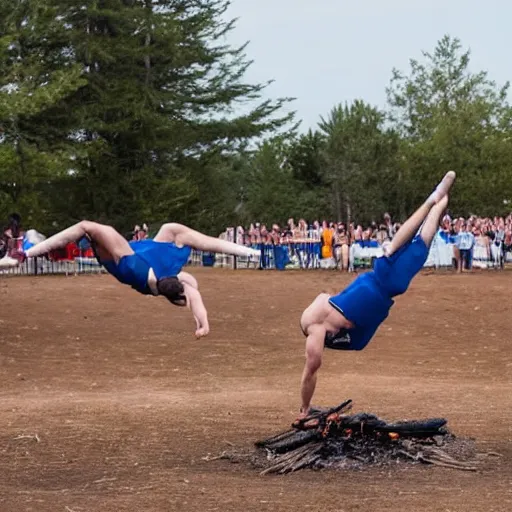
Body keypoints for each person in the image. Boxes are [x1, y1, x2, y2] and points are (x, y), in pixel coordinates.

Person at [296, 171, 456, 420]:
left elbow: (311, 369)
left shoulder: (315, 329)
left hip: (379, 290)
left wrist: (305, 409)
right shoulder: (323, 303)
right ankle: (439, 199)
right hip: (370, 283)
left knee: (414, 242)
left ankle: (433, 199)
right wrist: (443, 200)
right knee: (415, 242)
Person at [1, 220, 260, 338]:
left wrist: (202, 321)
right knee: (171, 230)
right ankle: (33, 252)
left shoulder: (165, 273)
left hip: (130, 262)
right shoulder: (177, 278)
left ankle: (23, 254)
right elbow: (197, 298)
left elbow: (197, 293)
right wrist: (202, 325)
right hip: (132, 265)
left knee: (87, 227)